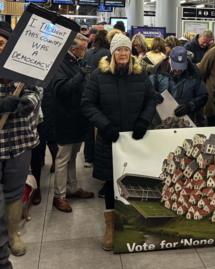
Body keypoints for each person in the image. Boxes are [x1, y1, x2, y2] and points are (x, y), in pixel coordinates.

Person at [81, 33, 156, 251]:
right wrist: (105, 126)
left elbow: (152, 99)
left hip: (135, 139)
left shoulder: (141, 75)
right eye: (119, 50)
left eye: (126, 49)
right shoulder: (98, 75)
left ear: (130, 52)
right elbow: (87, 104)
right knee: (112, 185)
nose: (123, 53)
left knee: (134, 183)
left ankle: (133, 223)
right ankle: (111, 227)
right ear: (113, 53)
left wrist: (144, 120)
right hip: (109, 139)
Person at [0, 21, 41, 261]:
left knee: (15, 192)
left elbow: (37, 91)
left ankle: (14, 233)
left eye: (3, 42)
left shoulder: (23, 69)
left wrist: (27, 103)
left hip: (19, 139)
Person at [50, 33, 95, 213]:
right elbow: (61, 90)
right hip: (65, 118)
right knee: (63, 158)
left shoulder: (77, 62)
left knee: (73, 156)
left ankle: (72, 187)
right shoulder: (60, 64)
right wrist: (81, 76)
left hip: (78, 117)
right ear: (73, 48)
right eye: (83, 49)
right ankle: (58, 196)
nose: (85, 52)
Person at [150, 46, 207, 126]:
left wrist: (190, 106)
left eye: (181, 67)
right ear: (170, 60)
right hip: (161, 120)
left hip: (185, 121)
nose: (178, 70)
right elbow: (148, 91)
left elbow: (203, 96)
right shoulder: (158, 70)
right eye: (175, 66)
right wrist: (153, 96)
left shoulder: (194, 72)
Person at [83, 30, 110, 169]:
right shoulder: (107, 53)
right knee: (101, 127)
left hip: (87, 91)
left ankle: (88, 157)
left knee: (89, 127)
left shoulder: (87, 53)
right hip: (102, 92)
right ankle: (99, 159)